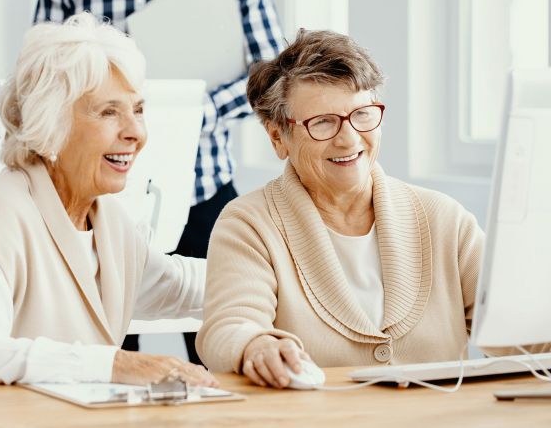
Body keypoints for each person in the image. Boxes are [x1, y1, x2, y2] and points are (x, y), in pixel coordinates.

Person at [33, 0, 283, 361]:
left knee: (229, 345)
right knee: (99, 357)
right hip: (94, 200)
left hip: (201, 192)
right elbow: (40, 81)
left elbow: (273, 75)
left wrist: (187, 110)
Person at [196, 29, 538, 388]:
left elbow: (519, 329)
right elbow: (228, 327)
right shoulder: (248, 224)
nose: (349, 138)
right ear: (278, 137)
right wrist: (257, 344)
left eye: (362, 114)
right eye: (323, 122)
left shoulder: (444, 219)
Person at [0, 13, 217, 386]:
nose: (136, 133)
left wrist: (283, 270)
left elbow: (178, 285)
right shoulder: (2, 210)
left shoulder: (109, 219)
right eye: (109, 112)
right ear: (53, 123)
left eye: (138, 110)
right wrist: (113, 365)